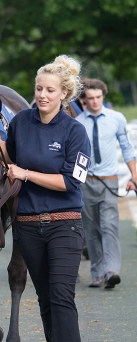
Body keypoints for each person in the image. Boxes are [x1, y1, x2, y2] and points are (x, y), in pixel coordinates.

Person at [0, 55, 91, 342]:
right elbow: (9, 156)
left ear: (64, 93)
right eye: (38, 88)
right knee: (46, 299)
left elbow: (71, 183)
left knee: (62, 295)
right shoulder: (20, 123)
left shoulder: (76, 132)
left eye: (49, 90)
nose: (42, 95)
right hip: (28, 227)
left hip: (65, 225)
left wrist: (26, 174)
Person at [76, 78, 137, 289]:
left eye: (98, 97)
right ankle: (97, 273)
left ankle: (112, 271)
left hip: (109, 180)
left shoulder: (116, 119)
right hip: (86, 182)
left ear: (103, 96)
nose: (95, 102)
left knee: (109, 225)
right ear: (84, 100)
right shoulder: (78, 123)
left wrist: (134, 176)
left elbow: (127, 148)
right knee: (91, 229)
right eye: (90, 98)